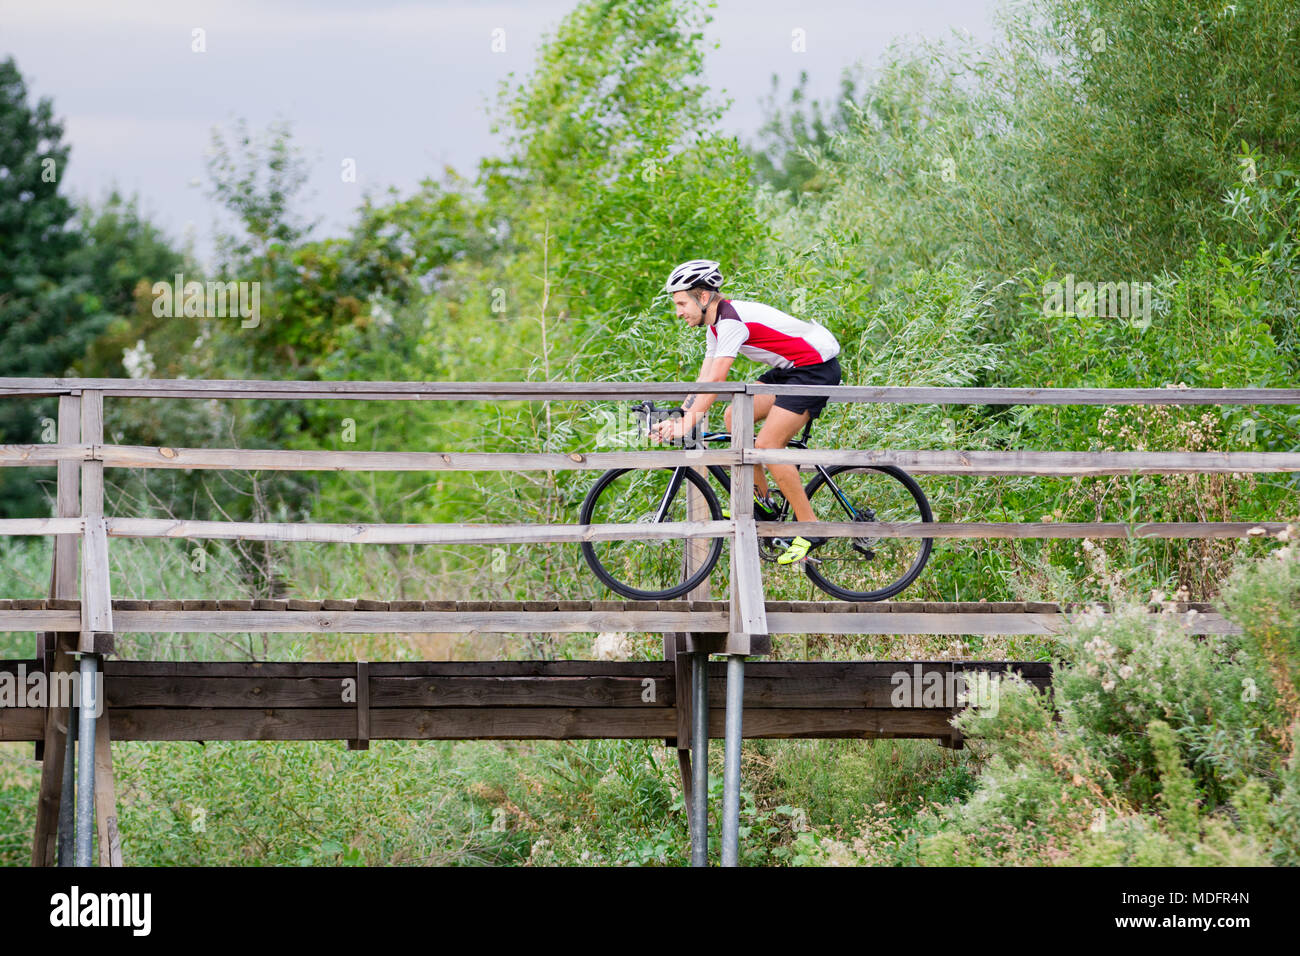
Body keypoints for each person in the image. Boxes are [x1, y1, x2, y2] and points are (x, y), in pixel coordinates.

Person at [648, 258, 842, 565]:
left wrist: (688, 424)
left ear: (702, 297)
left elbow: (718, 380)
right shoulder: (715, 327)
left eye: (682, 303)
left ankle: (811, 527)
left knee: (767, 446)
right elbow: (703, 380)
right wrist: (680, 416)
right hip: (790, 369)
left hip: (814, 370)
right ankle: (763, 502)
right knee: (732, 418)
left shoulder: (730, 323)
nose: (678, 312)